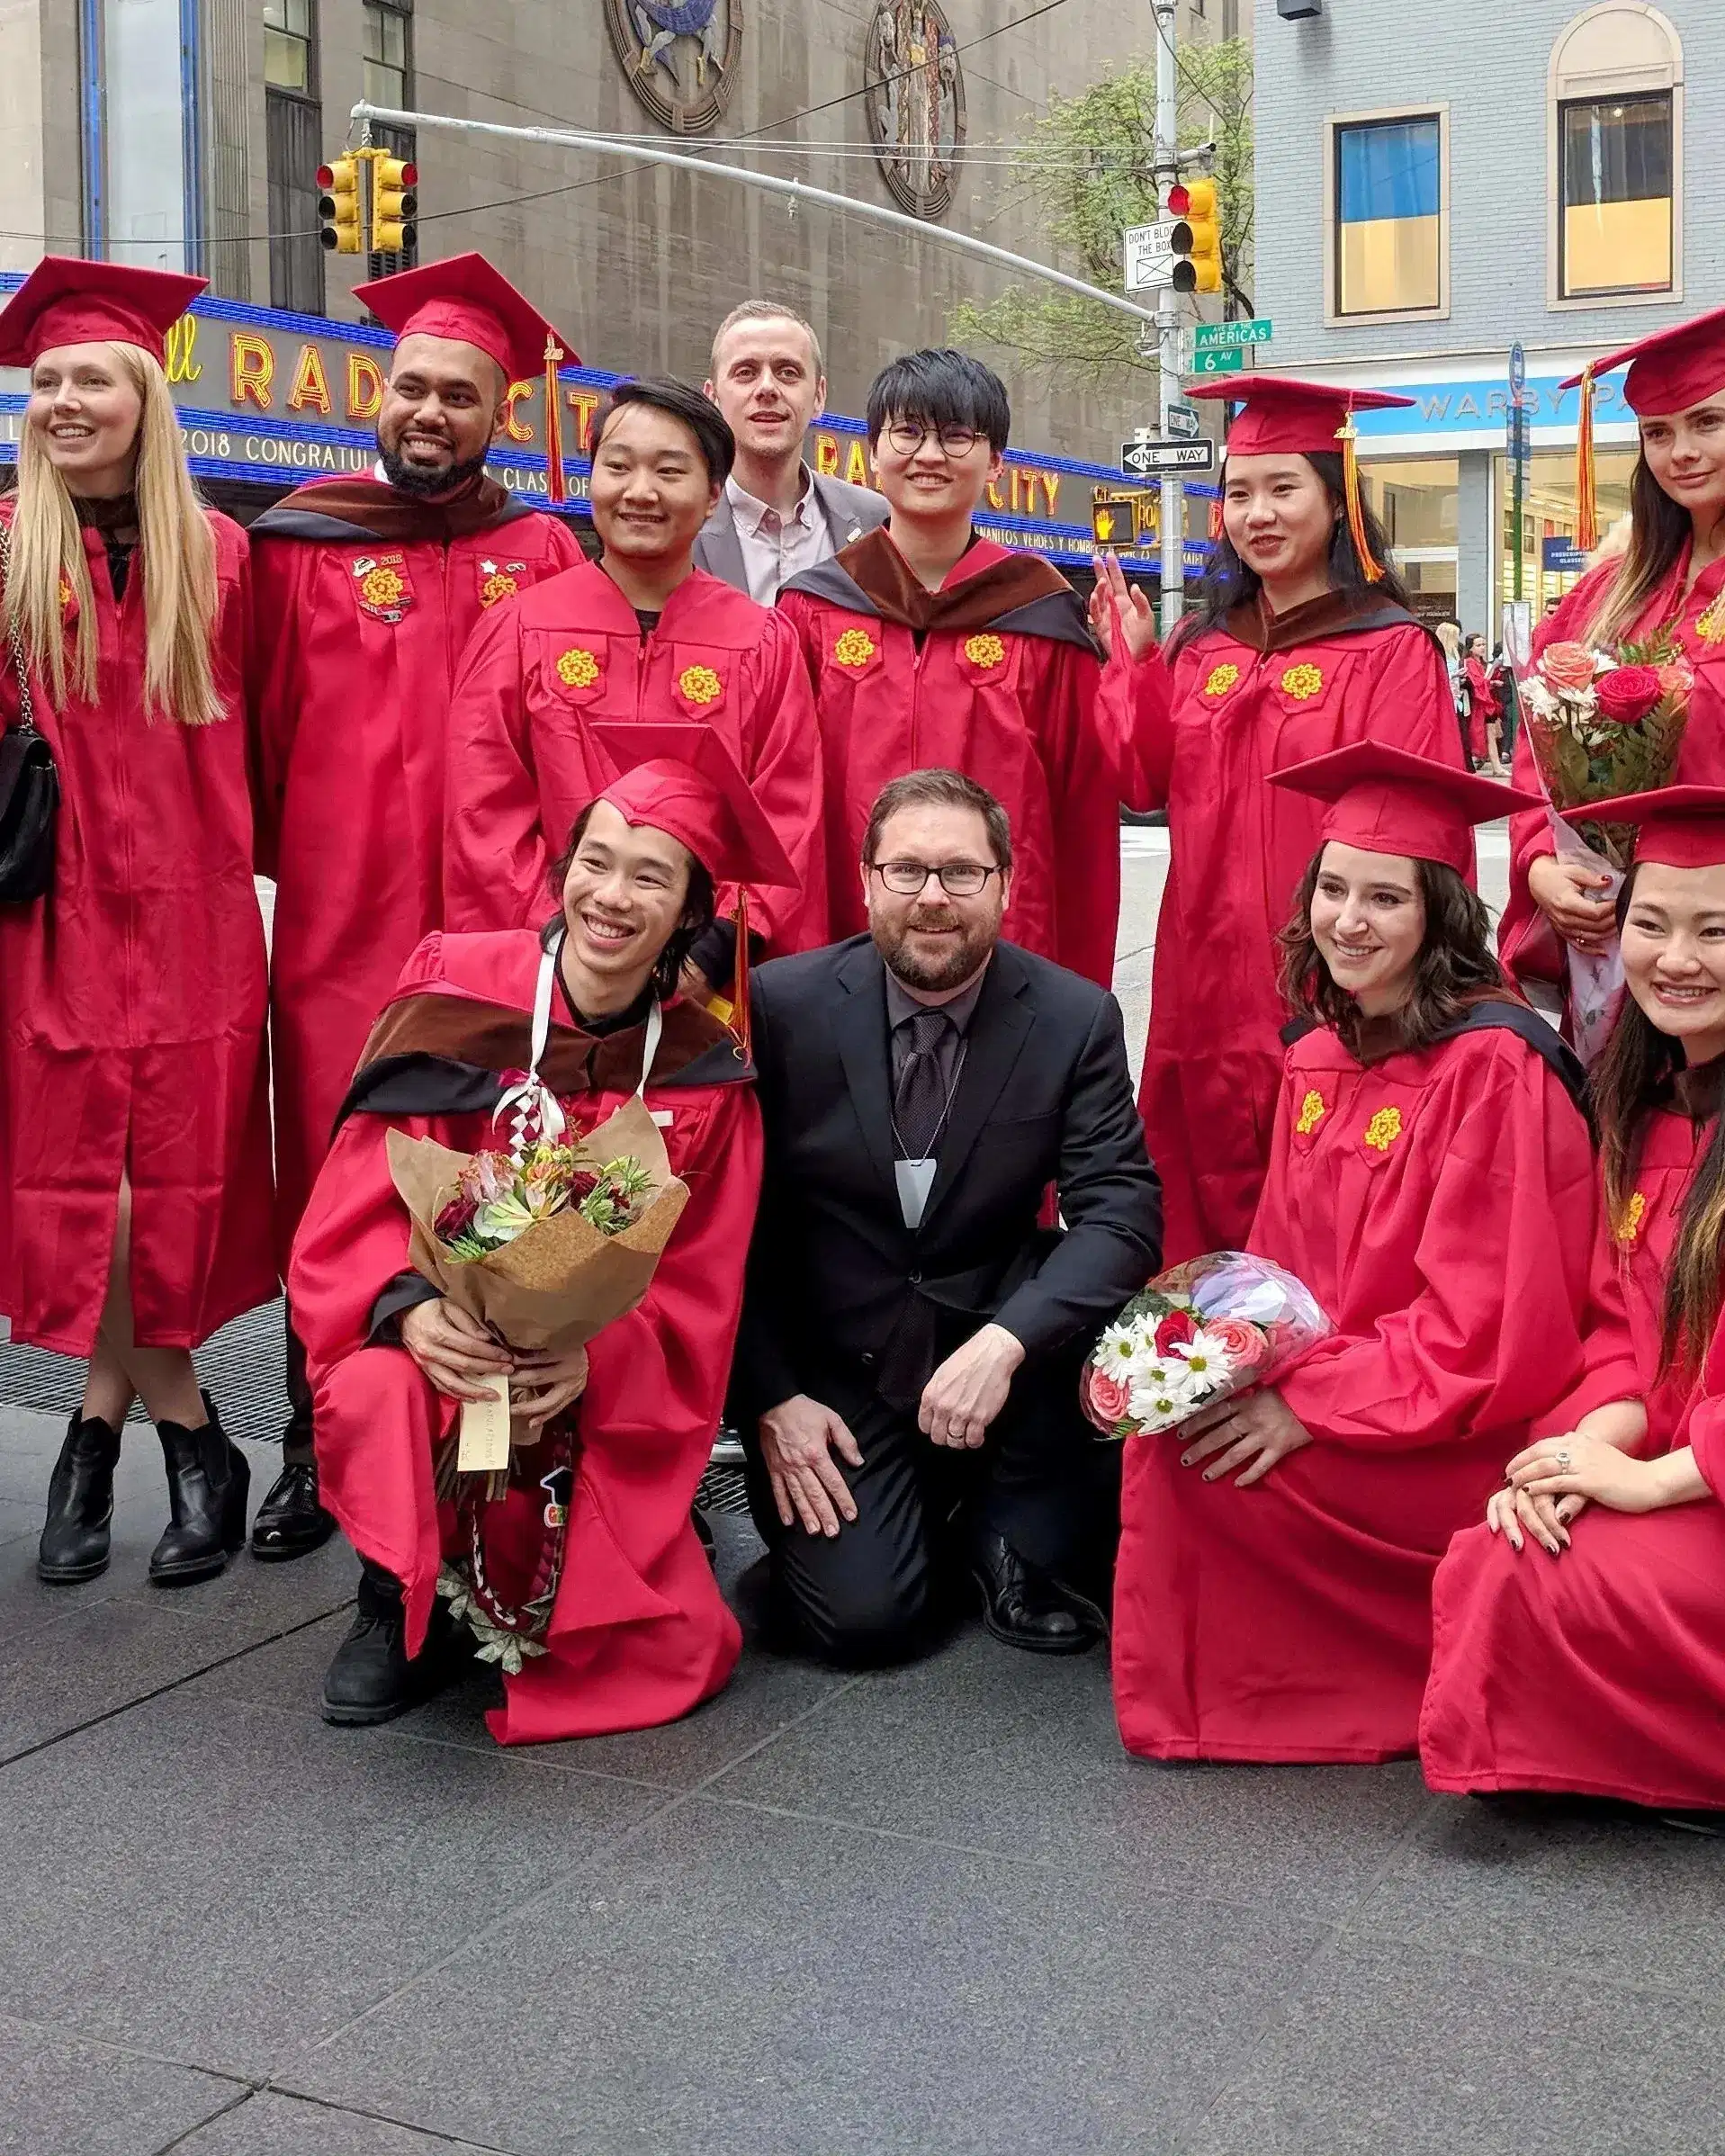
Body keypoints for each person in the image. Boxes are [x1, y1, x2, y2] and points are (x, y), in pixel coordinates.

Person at [291, 726, 787, 1738]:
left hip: (576, 1365)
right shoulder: (458, 986)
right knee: (385, 1378)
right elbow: (356, 1195)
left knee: (661, 1640)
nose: (611, 896)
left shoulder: (702, 1071)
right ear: (563, 871)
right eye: (595, 863)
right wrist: (407, 1306)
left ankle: (555, 1575)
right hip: (436, 1339)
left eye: (650, 878)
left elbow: (700, 1280)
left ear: (691, 914)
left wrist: (593, 1350)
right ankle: (394, 1601)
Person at [1112, 744, 1597, 1764]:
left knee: (1199, 1472)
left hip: (1453, 1424)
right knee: (1174, 1432)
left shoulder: (1495, 1065)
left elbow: (1483, 1334)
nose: (1350, 919)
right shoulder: (1317, 1054)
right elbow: (1283, 1283)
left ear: (1440, 915)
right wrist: (1221, 1360)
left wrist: (1307, 1405)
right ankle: (1237, 1692)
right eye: (1334, 888)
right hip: (1355, 1384)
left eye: (1386, 895)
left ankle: (1303, 1694)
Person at [248, 254, 585, 1561]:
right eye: (413, 388)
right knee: (328, 1187)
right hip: (347, 934)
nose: (431, 411)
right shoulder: (297, 542)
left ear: (500, 413)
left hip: (503, 938)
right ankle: (305, 1437)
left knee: (497, 1179)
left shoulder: (541, 548)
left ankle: (487, 1442)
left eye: (460, 394)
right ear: (376, 398)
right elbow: (260, 740)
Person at [733, 768, 1163, 1666]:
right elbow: (729, 1227)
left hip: (1000, 1350)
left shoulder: (1072, 1017)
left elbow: (1120, 1213)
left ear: (1007, 884)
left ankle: (1005, 1531)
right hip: (836, 1367)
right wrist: (771, 1396)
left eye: (962, 872)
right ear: (866, 879)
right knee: (866, 1625)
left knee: (1112, 1325)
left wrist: (1007, 1342)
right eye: (908, 871)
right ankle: (925, 1515)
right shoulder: (782, 1006)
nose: (933, 898)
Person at [0, 258, 274, 1588]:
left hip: (195, 914)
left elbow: (271, 733)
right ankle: (189, 1427)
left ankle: (94, 1435)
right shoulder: (4, 546)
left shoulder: (218, 554)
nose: (59, 401)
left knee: (162, 1187)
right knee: (92, 1191)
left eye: (87, 379)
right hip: (53, 913)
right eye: (43, 381)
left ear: (144, 400)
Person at [1095, 376, 1467, 1262]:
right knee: (1190, 1203)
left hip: (1322, 979)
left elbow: (1424, 833)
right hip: (1197, 980)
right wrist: (1135, 668)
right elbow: (1141, 781)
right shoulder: (1200, 645)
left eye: (1282, 488)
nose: (1256, 513)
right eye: (1238, 492)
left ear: (1337, 502)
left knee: (1319, 1206)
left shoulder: (1389, 648)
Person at [1422, 785, 1725, 1818]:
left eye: (1714, 929)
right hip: (1687, 1478)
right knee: (1507, 1543)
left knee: (1525, 1577)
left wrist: (1645, 1485)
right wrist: (1577, 1459)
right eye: (1651, 922)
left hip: (1705, 1483)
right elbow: (1618, 1330)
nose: (1674, 957)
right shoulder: (1642, 1112)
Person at [443, 374, 826, 989]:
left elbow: (786, 814)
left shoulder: (762, 641)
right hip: (551, 968)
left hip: (709, 979)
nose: (639, 491)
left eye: (670, 472)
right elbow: (484, 812)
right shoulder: (518, 627)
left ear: (712, 495)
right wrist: (575, 944)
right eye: (617, 466)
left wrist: (709, 950)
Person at [778, 349, 1122, 991]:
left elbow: (1082, 824)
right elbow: (784, 803)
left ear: (994, 464)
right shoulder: (811, 609)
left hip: (1006, 947)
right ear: (872, 452)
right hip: (844, 940)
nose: (929, 455)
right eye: (907, 432)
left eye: (956, 436)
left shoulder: (1041, 617)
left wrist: (1071, 991)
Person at [1502, 305, 1725, 994]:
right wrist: (1541, 864)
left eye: (1707, 422)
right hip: (1612, 935)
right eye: (1657, 432)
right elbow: (1532, 763)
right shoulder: (1608, 591)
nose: (1679, 452)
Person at [695, 300, 886, 601]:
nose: (767, 388)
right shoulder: (682, 523)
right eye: (745, 372)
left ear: (819, 395)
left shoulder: (878, 523)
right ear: (712, 398)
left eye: (788, 372)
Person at [1462, 631, 1505, 773]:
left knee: (1491, 735)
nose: (1482, 647)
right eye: (1478, 645)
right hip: (1481, 704)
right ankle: (1496, 767)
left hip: (1488, 701)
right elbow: (1477, 683)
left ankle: (1496, 766)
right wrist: (1491, 682)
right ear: (1470, 648)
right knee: (1489, 735)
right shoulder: (1469, 662)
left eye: (1484, 644)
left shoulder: (1482, 663)